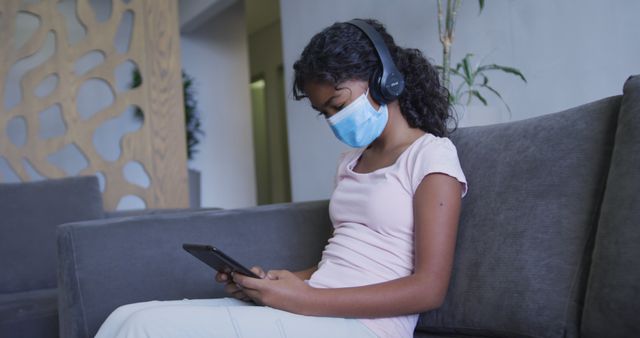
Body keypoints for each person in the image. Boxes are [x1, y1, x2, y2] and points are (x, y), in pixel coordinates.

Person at [94, 18, 468, 338]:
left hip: (364, 327)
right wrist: (275, 283)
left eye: (338, 105)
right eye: (326, 113)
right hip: (317, 308)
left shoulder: (431, 156)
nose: (335, 120)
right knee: (125, 316)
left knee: (143, 329)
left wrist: (305, 300)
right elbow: (341, 264)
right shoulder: (350, 162)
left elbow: (429, 288)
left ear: (385, 80)